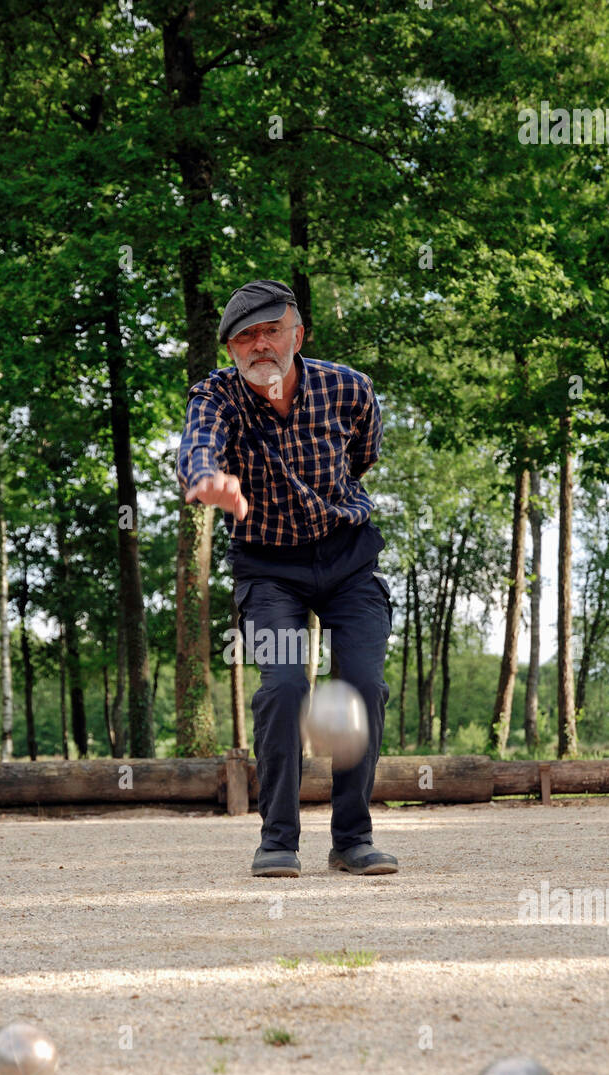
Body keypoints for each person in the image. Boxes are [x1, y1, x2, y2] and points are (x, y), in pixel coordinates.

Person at [177, 279, 398, 879]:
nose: (260, 345)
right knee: (283, 689)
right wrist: (207, 478)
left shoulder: (349, 390)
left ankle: (352, 839)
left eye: (271, 330)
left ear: (297, 335)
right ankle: (277, 840)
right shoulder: (215, 397)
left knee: (361, 685)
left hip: (348, 558)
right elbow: (199, 447)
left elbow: (363, 455)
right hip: (268, 567)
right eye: (244, 337)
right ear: (230, 351)